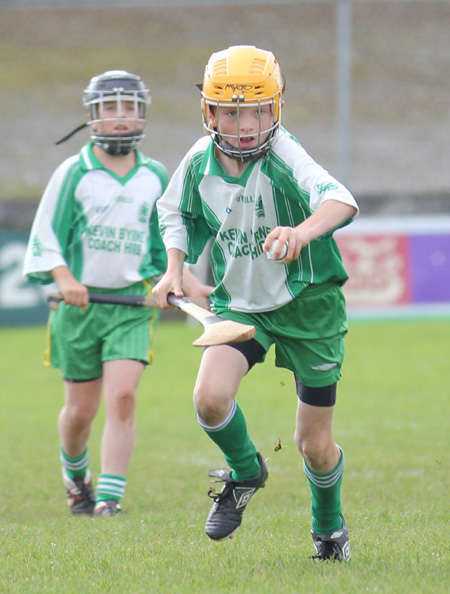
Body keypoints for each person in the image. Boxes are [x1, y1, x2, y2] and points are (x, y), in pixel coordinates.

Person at [152, 46, 358, 561]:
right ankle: (246, 472)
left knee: (313, 443)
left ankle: (329, 530)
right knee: (209, 400)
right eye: (231, 111)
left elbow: (341, 200)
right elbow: (173, 211)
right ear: (209, 112)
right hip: (240, 305)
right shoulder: (199, 159)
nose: (246, 124)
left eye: (258, 109)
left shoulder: (285, 154)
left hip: (309, 305)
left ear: (277, 108)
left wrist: (302, 232)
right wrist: (175, 266)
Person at [23, 70, 212, 518]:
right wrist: (65, 279)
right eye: (111, 108)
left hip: (132, 305)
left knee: (123, 397)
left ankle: (109, 499)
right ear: (93, 116)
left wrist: (182, 279)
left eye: (130, 108)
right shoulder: (74, 172)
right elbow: (45, 234)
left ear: (142, 113)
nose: (121, 118)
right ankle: (76, 478)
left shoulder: (154, 175)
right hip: (80, 309)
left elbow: (159, 246)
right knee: (80, 413)